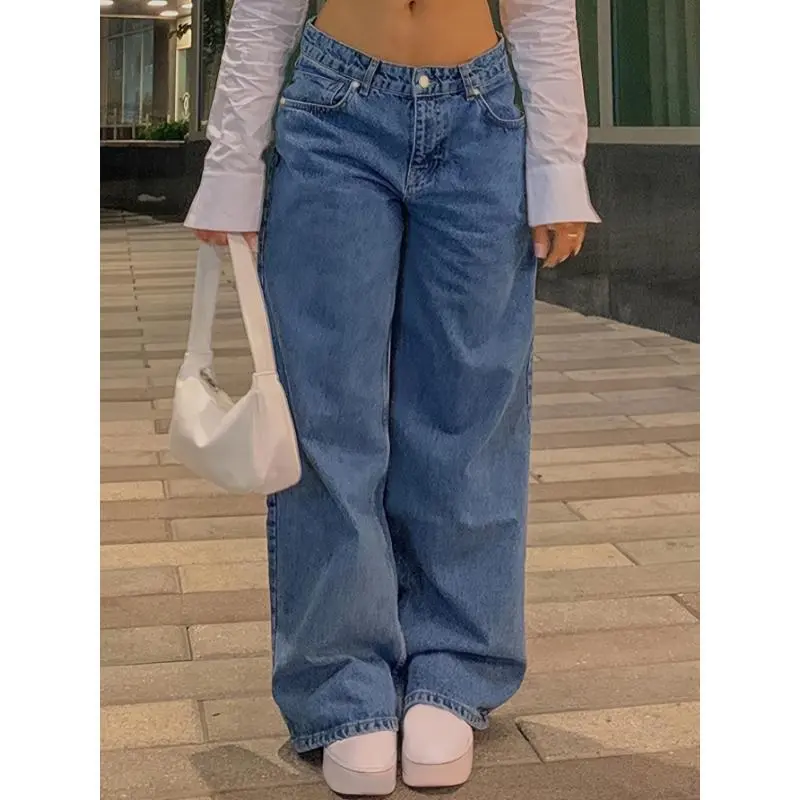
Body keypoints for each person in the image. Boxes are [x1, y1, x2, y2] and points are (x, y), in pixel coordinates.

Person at [187, 0, 600, 795]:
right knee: (326, 415)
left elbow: (541, 10)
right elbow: (267, 9)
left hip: (481, 116)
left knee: (468, 412)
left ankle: (454, 667)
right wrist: (232, 164)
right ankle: (342, 682)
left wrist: (559, 165)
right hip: (334, 113)